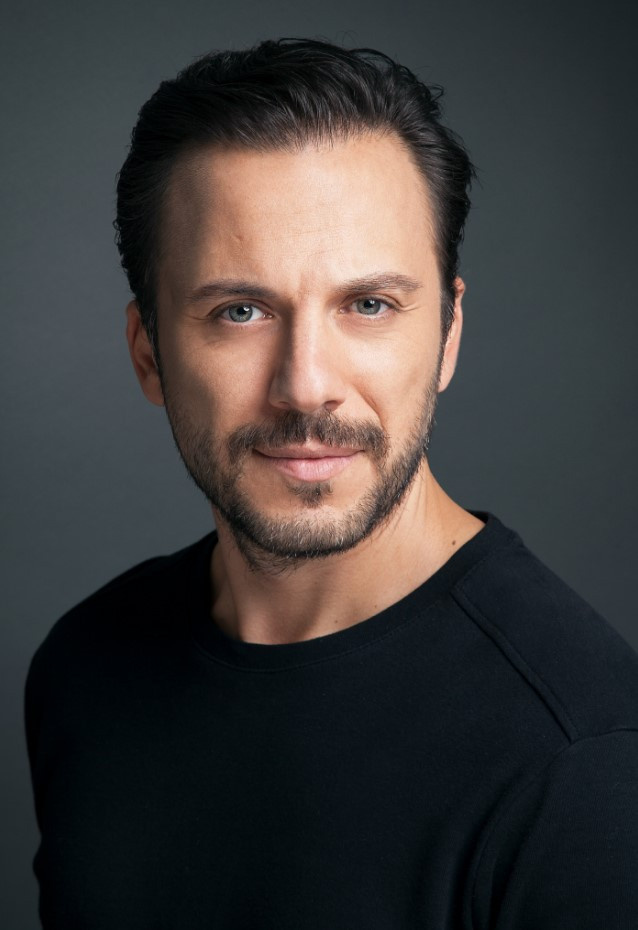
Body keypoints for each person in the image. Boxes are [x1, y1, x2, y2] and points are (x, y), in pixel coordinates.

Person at [26, 38, 638, 929]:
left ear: (448, 335)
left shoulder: (589, 769)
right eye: (240, 311)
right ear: (148, 351)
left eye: (369, 305)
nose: (306, 385)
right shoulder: (86, 668)